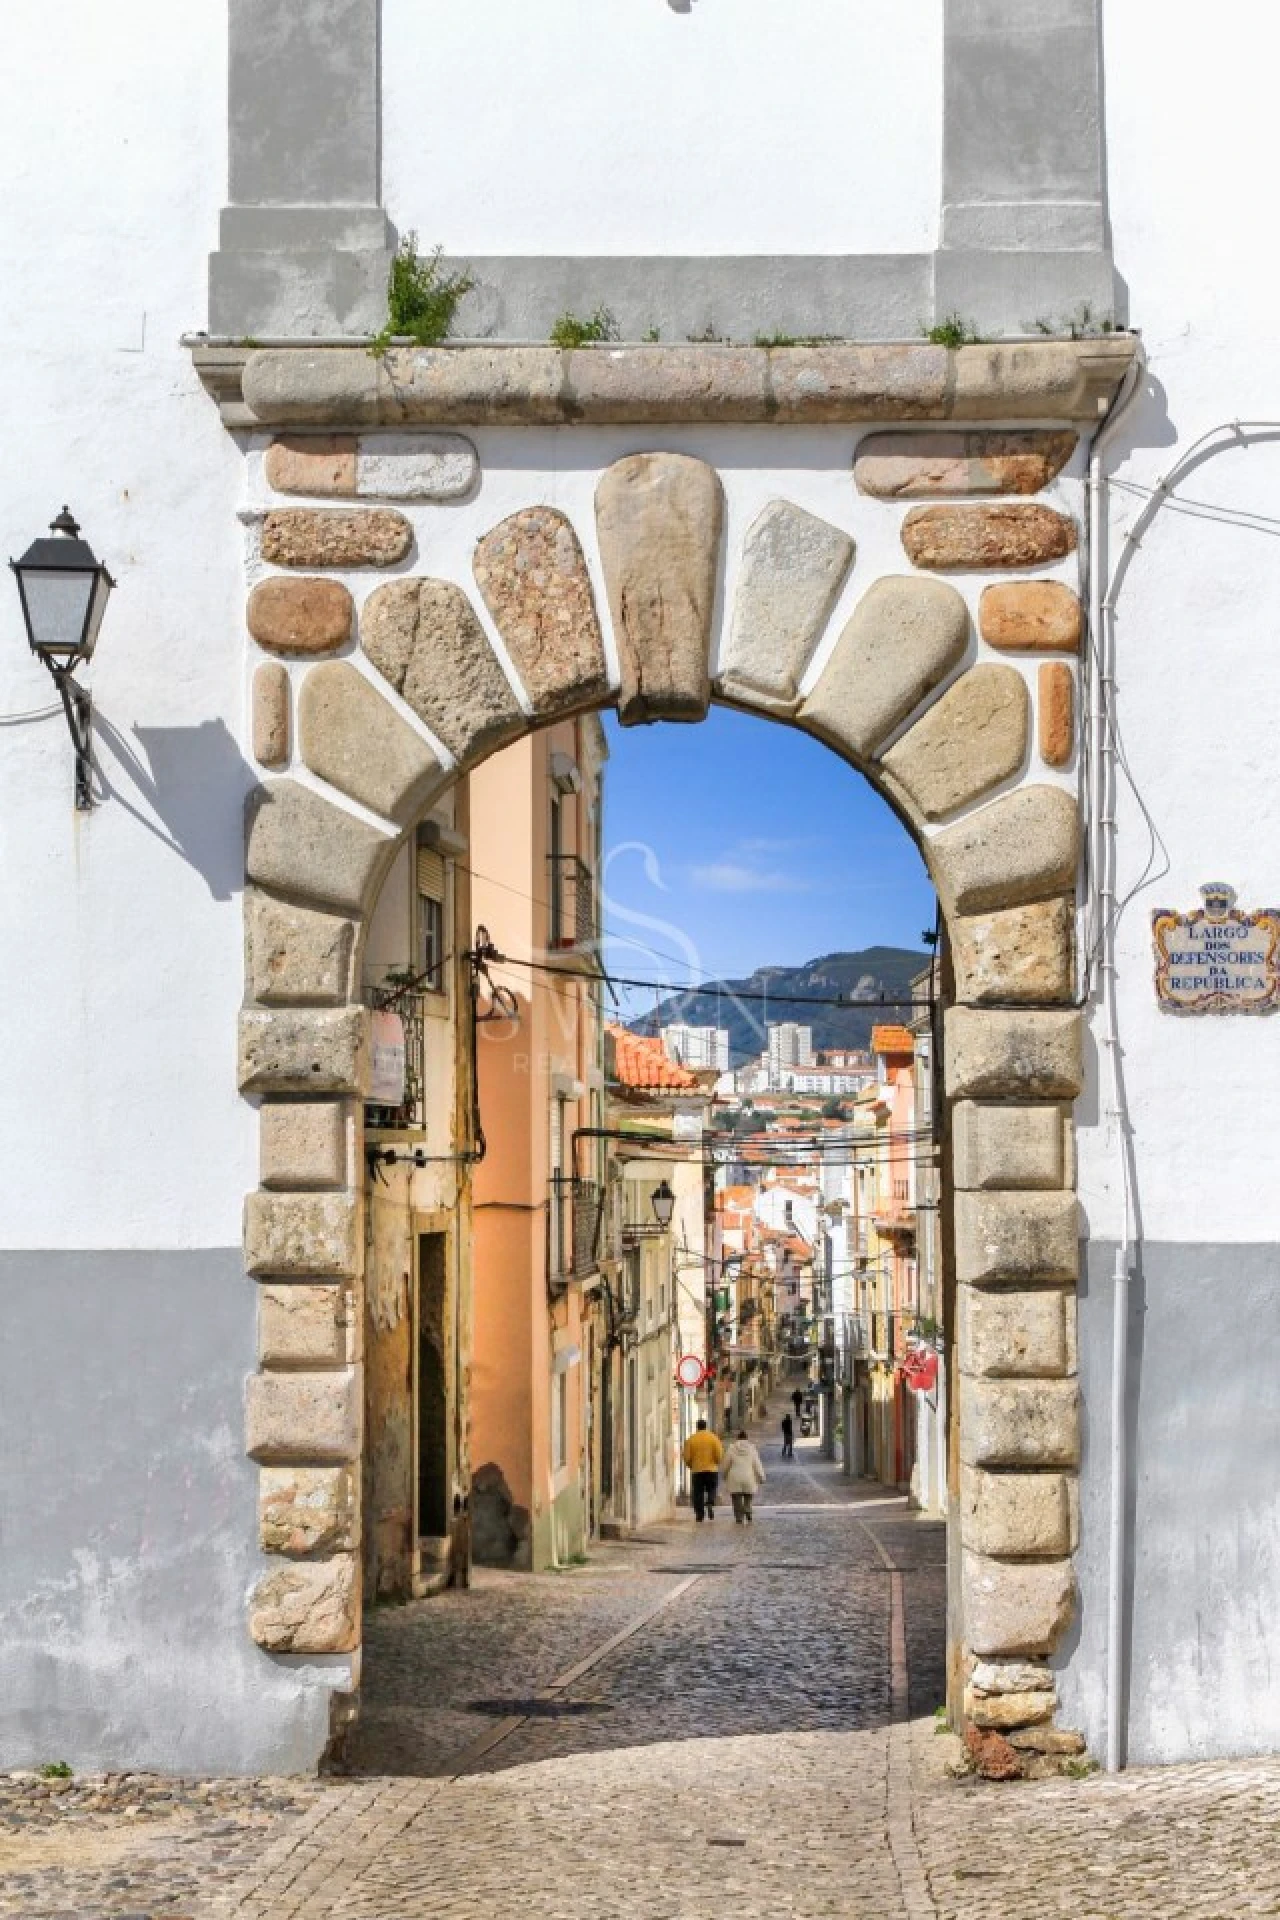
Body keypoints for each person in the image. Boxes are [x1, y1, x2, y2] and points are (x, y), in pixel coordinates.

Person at [682, 1418, 723, 1523]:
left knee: (698, 1493)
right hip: (711, 1469)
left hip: (697, 1470)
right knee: (712, 1488)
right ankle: (710, 1501)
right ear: (706, 1426)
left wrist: (691, 1465)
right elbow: (719, 1455)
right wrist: (716, 1463)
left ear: (697, 1427)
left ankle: (700, 1515)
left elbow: (686, 1457)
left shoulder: (691, 1439)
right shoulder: (714, 1438)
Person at [722, 1430, 766, 1524]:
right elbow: (757, 1464)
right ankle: (747, 1510)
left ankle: (739, 1517)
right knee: (748, 1497)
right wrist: (761, 1476)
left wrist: (724, 1475)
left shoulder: (731, 1449)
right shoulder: (752, 1449)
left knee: (736, 1499)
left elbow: (726, 1465)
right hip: (749, 1477)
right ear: (747, 1438)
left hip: (735, 1478)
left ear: (737, 1438)